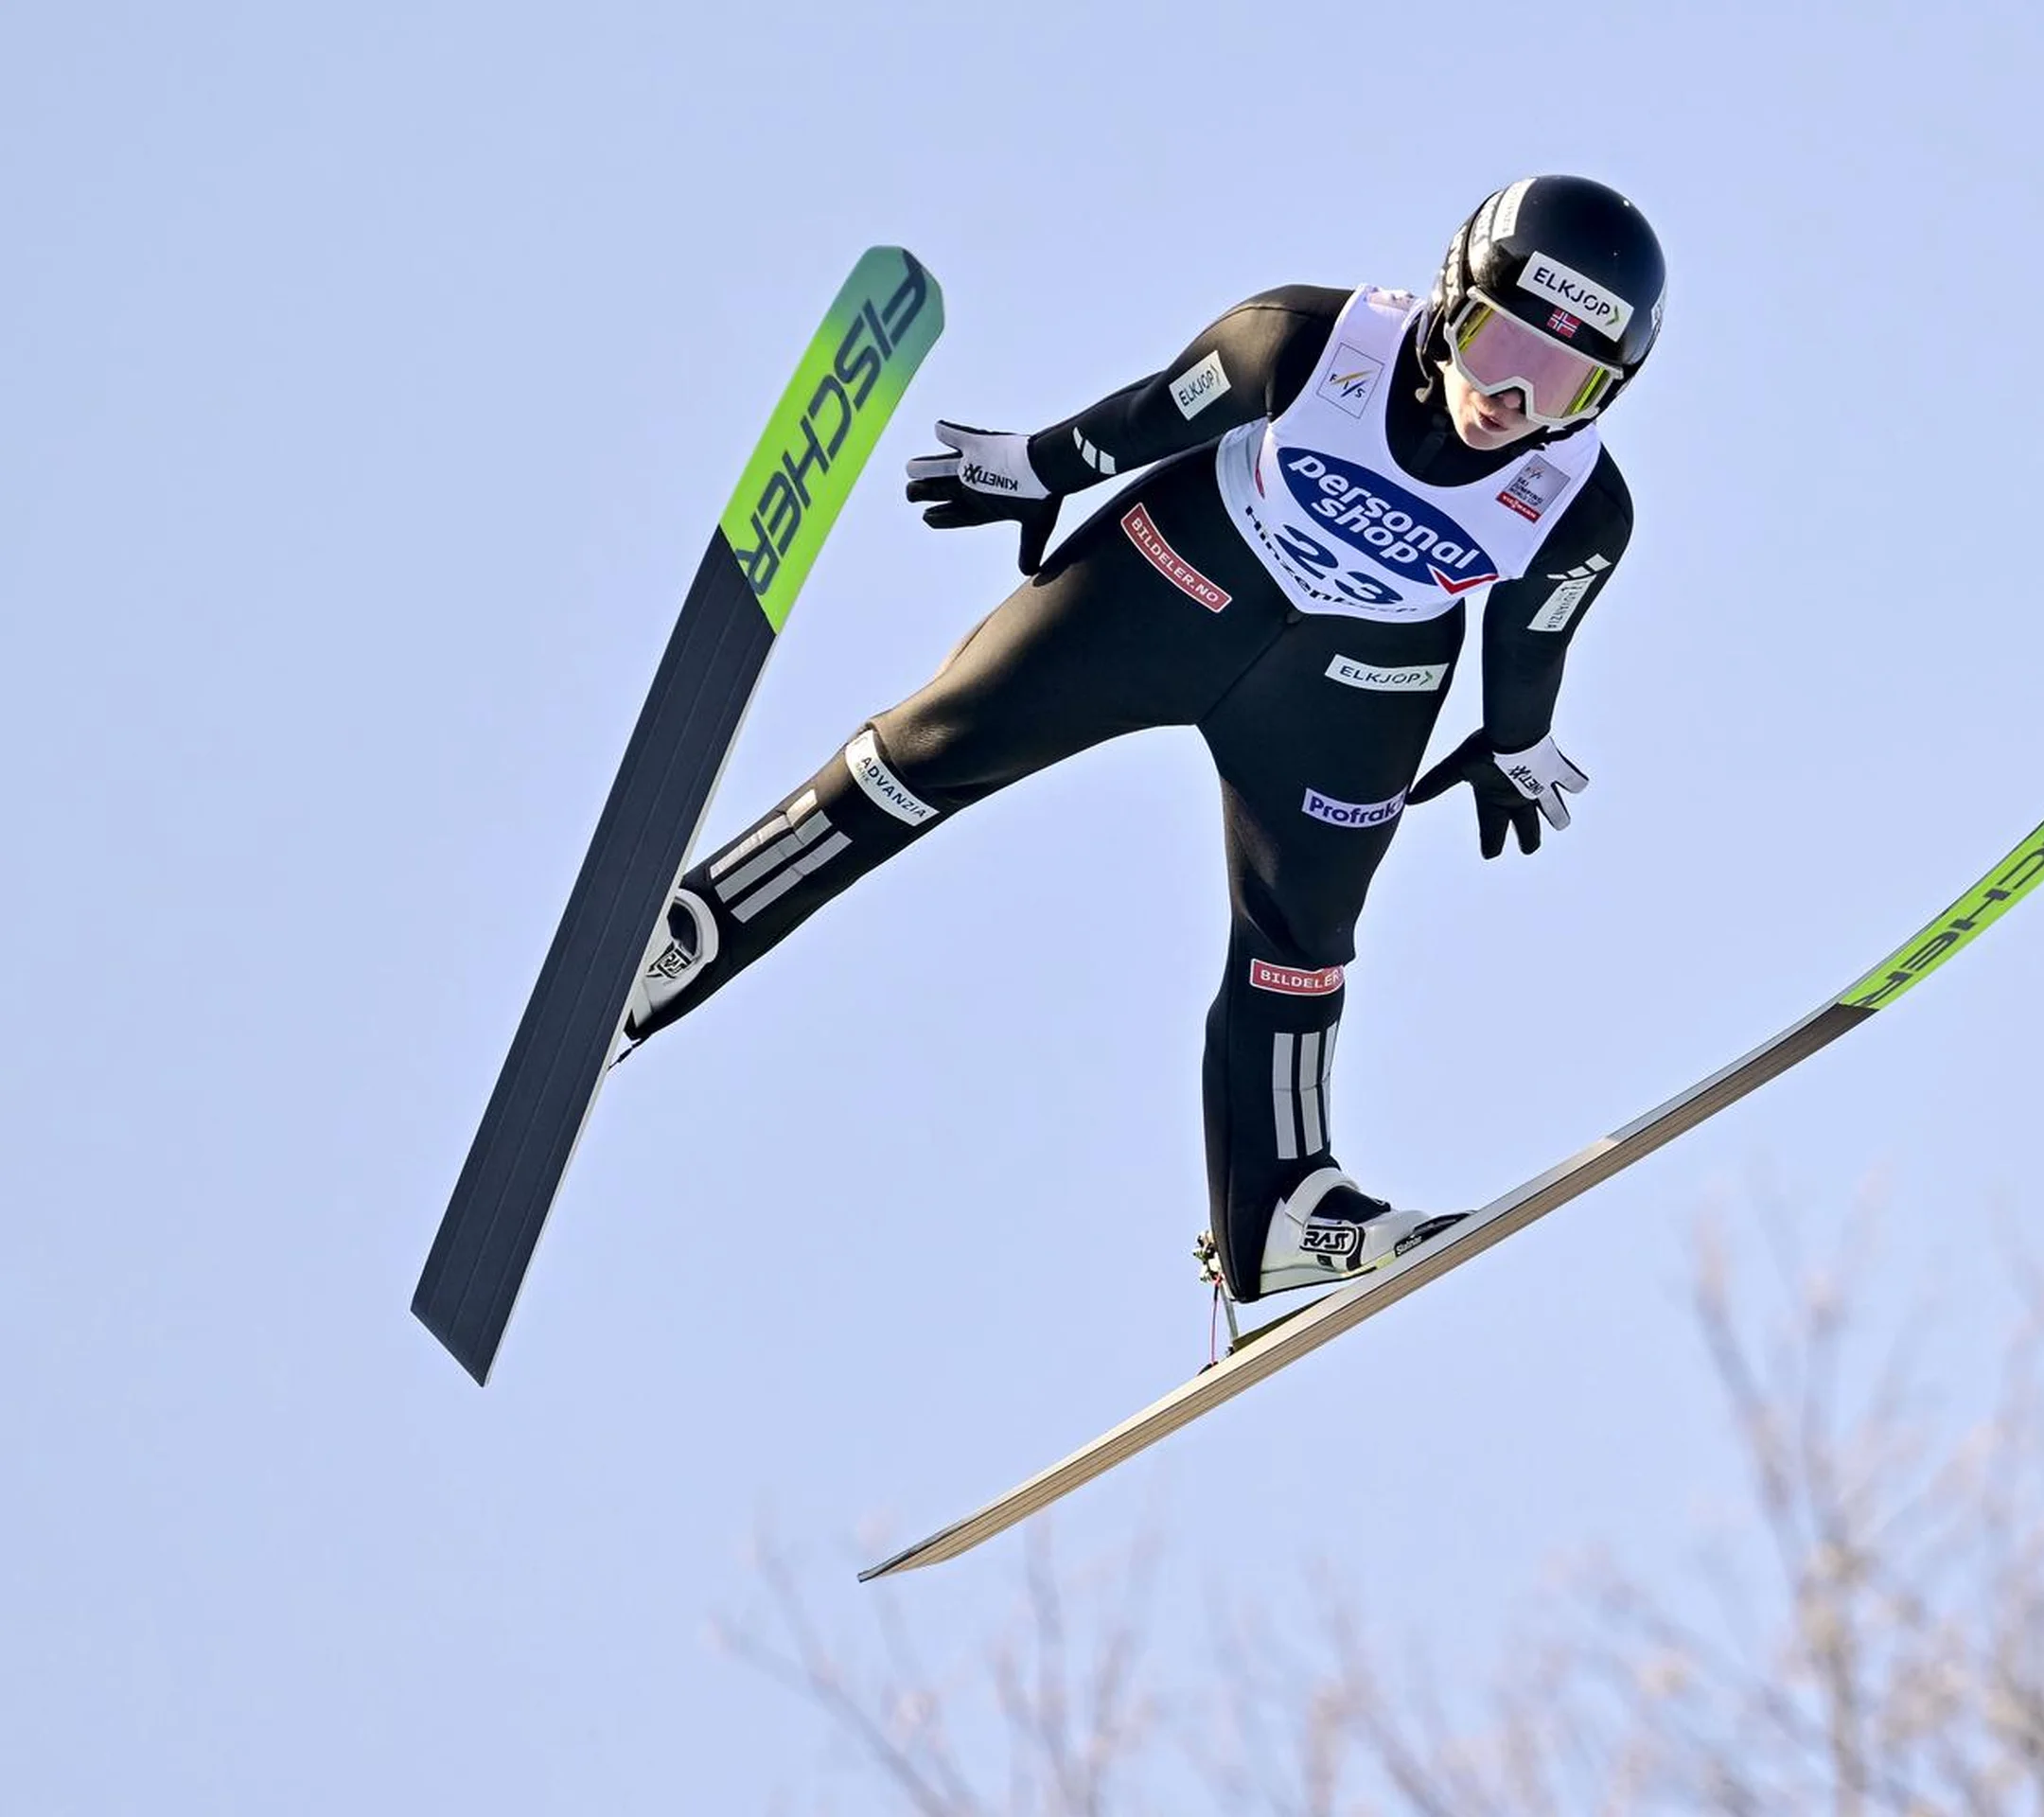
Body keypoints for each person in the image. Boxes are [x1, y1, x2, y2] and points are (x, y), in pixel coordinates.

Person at [619, 174, 1664, 1309]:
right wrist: (1031, 465)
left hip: (1355, 682)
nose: (1510, 397)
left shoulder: (1581, 509)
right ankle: (694, 927)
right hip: (1176, 583)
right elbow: (1159, 410)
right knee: (932, 744)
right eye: (1495, 341)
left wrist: (1518, 742)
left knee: (1303, 938)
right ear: (1449, 298)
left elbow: (1531, 634)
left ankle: (1283, 1211)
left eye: (1562, 377)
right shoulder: (1311, 342)